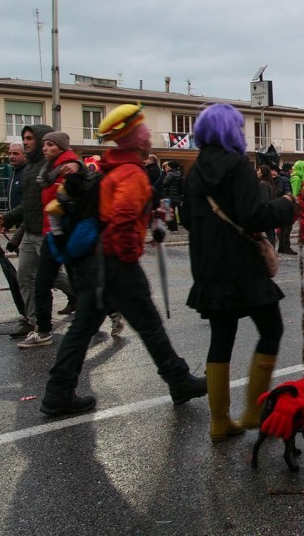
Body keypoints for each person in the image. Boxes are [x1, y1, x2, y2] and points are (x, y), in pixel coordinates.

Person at [39, 104, 207, 416]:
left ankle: (58, 392)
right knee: (149, 324)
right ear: (134, 138)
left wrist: (150, 214)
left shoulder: (113, 167)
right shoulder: (130, 171)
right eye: (144, 131)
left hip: (96, 264)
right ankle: (178, 380)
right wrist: (128, 256)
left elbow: (117, 210)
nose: (148, 136)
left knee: (84, 327)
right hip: (116, 264)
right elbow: (122, 217)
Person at [180, 103, 295, 442]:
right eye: (239, 127)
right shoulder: (238, 166)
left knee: (222, 338)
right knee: (271, 329)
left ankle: (219, 422)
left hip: (208, 267)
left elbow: (186, 219)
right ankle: (253, 410)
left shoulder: (196, 170)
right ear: (229, 131)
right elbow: (253, 215)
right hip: (243, 266)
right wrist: (285, 206)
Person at [0, 125, 76, 341]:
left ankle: (97, 303)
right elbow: (30, 206)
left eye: (29, 138)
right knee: (25, 277)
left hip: (47, 233)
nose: (26, 142)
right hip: (31, 232)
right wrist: (9, 219)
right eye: (24, 138)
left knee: (52, 278)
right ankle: (35, 322)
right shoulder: (30, 168)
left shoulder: (49, 167)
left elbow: (46, 204)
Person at [28, 131, 84, 348]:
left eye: (50, 145)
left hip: (68, 236)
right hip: (52, 234)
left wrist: (79, 167)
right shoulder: (48, 169)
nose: (44, 148)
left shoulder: (69, 166)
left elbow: (85, 184)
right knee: (41, 282)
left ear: (61, 147)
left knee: (80, 284)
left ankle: (111, 310)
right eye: (44, 144)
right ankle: (43, 331)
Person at [275, 163, 297, 255]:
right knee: (287, 228)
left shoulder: (279, 177)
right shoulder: (285, 179)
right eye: (291, 169)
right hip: (285, 205)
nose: (292, 171)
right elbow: (288, 192)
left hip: (279, 205)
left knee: (282, 227)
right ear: (288, 170)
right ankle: (286, 247)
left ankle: (281, 247)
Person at [290, 160, 304, 245]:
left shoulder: (297, 177)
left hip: (297, 199)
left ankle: (280, 233)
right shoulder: (297, 178)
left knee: (293, 218)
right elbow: (294, 192)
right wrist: (295, 201)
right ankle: (303, 237)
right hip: (297, 199)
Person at [257, 164, 278, 247]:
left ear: (263, 173)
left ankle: (269, 252)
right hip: (269, 213)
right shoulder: (268, 183)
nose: (257, 172)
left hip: (265, 214)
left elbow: (264, 200)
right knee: (270, 234)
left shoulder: (262, 184)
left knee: (267, 235)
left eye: (259, 170)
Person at [162, 161, 183, 231]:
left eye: (168, 166)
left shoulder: (171, 174)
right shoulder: (179, 173)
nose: (167, 167)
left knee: (169, 211)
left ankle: (172, 227)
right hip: (176, 195)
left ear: (171, 167)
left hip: (170, 195)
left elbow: (165, 183)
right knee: (172, 211)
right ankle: (174, 227)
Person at [6, 142, 28, 211]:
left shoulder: (29, 173)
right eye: (10, 153)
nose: (11, 157)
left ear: (25, 155)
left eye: (16, 154)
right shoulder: (13, 173)